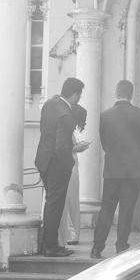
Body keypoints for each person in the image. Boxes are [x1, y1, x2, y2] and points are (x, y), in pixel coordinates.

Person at [91, 80, 140, 259]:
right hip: (134, 169)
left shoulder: (105, 115)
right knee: (127, 208)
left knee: (106, 208)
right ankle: (121, 246)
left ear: (115, 93)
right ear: (131, 95)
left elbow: (104, 142)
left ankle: (97, 247)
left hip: (112, 169)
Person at [35, 77, 84, 257]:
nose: (79, 99)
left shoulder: (49, 104)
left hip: (43, 160)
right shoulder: (67, 114)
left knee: (50, 203)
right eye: (79, 95)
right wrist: (69, 165)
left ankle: (48, 242)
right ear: (73, 95)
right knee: (56, 204)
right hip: (57, 164)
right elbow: (63, 146)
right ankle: (51, 246)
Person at [56, 103, 88, 248]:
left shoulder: (68, 129)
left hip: (73, 165)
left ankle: (71, 232)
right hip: (70, 166)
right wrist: (78, 148)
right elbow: (64, 148)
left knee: (72, 199)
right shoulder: (66, 128)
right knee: (70, 200)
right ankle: (70, 233)